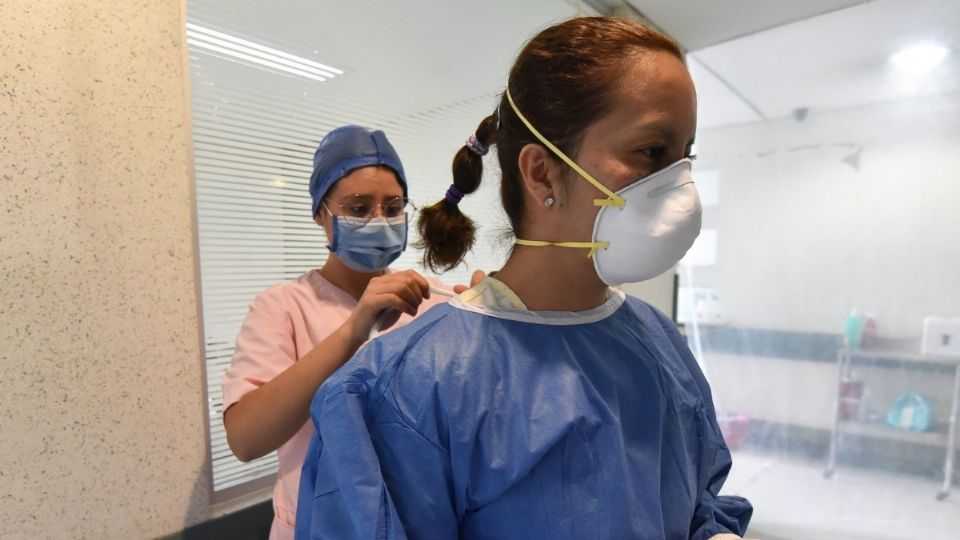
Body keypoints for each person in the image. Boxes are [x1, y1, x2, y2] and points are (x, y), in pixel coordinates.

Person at [296, 17, 753, 540]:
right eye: (652, 152)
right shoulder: (411, 387)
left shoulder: (657, 344)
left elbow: (698, 501)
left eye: (685, 155)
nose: (680, 182)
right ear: (541, 172)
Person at [221, 125, 479, 539]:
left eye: (393, 207)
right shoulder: (284, 306)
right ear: (320, 213)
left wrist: (488, 317)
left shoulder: (433, 302)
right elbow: (246, 440)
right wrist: (355, 328)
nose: (379, 219)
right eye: (359, 208)